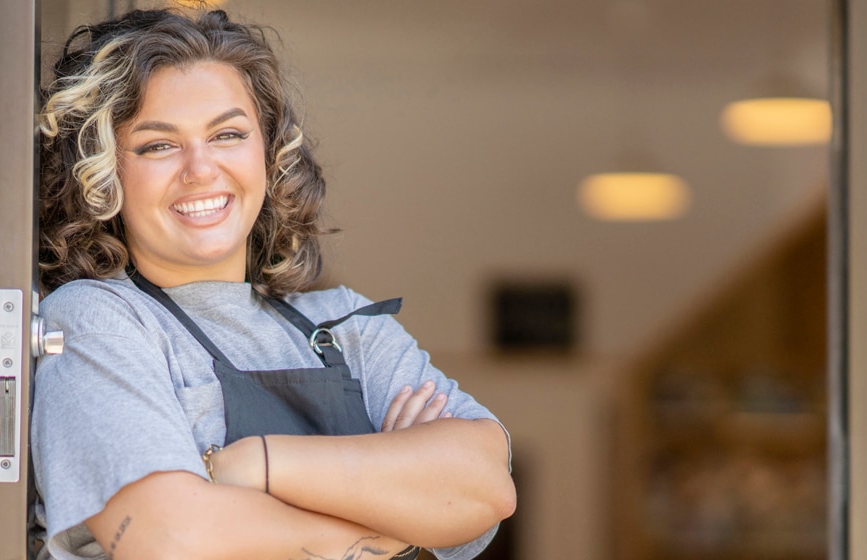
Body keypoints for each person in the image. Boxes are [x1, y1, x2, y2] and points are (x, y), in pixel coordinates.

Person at [29, 9, 515, 560]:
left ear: (268, 152)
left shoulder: (347, 326)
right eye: (158, 145)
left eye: (228, 134)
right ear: (103, 173)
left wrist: (248, 464)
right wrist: (390, 522)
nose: (200, 168)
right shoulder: (99, 320)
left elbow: (484, 484)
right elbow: (170, 537)